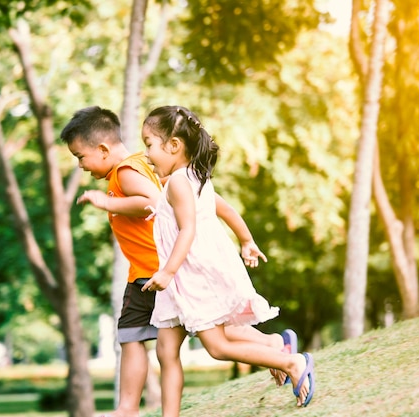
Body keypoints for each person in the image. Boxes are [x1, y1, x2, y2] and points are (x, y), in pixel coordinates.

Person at [60, 106, 298, 417]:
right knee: (198, 334)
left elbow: (151, 202)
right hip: (159, 270)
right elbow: (214, 203)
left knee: (136, 336)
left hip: (157, 271)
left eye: (80, 156)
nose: (80, 165)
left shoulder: (126, 173)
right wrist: (245, 238)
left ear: (103, 149)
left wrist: (108, 202)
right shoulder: (160, 170)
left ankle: (128, 408)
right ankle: (271, 347)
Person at [140, 105, 315, 416]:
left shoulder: (179, 182)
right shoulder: (193, 177)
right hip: (182, 277)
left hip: (189, 275)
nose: (147, 154)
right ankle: (274, 346)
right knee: (166, 350)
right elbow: (228, 211)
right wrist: (247, 241)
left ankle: (290, 361)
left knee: (218, 346)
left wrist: (167, 272)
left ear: (174, 146)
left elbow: (189, 229)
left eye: (149, 144)